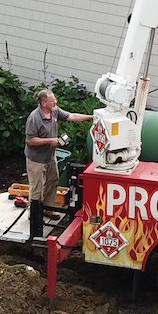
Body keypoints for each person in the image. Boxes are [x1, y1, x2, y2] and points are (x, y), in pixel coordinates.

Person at [24, 89, 92, 237]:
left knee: (52, 181)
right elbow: (30, 140)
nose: (56, 102)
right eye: (52, 100)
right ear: (43, 103)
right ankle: (34, 214)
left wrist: (92, 116)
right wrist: (51, 141)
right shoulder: (34, 118)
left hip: (50, 157)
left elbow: (71, 116)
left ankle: (48, 208)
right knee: (37, 187)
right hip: (36, 159)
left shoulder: (54, 111)